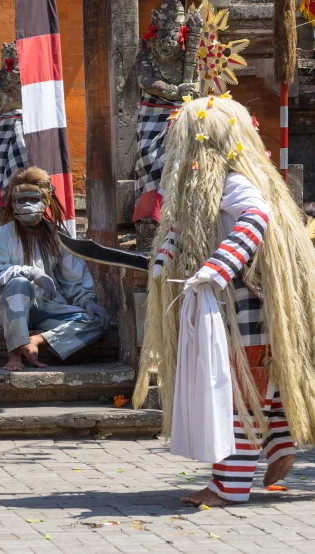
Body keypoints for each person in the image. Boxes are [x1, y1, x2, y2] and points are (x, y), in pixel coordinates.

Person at [134, 95, 315, 506]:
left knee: (238, 391)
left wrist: (217, 267)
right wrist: (162, 263)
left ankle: (229, 487)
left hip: (242, 308)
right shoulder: (204, 187)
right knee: (255, 383)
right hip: (231, 306)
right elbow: (182, 229)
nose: (179, 150)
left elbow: (255, 219)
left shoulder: (235, 182)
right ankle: (281, 445)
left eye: (186, 141)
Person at [0, 167, 110, 371]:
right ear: (13, 204)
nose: (28, 205)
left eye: (33, 199)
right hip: (7, 307)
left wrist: (86, 300)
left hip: (46, 307)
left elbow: (73, 276)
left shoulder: (57, 235)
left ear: (45, 201)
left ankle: (37, 340)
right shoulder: (2, 235)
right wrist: (30, 272)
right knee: (19, 284)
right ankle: (14, 353)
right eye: (22, 200)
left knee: (96, 321)